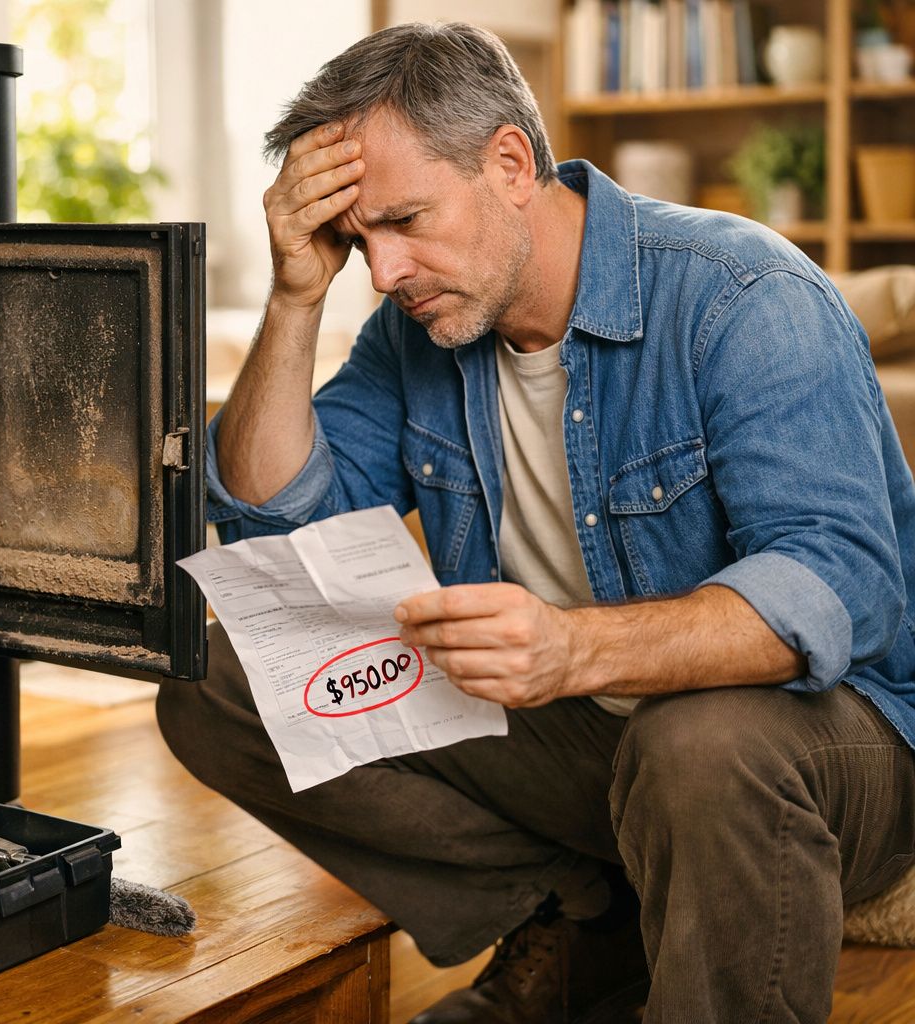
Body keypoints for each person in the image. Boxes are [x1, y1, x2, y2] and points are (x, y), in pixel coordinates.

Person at [155, 21, 915, 1024]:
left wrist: (574, 649)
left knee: (700, 740)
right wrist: (297, 294)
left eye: (406, 220)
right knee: (221, 677)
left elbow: (841, 587)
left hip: (832, 751)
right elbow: (279, 536)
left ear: (512, 162)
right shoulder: (413, 329)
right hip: (585, 742)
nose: (383, 270)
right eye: (357, 238)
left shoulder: (742, 295)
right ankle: (587, 916)